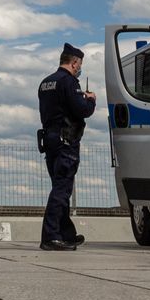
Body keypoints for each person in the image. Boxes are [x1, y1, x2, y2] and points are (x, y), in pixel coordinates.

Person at [37, 42, 96, 251]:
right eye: (79, 65)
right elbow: (81, 110)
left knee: (59, 188)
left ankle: (66, 234)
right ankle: (50, 237)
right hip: (66, 142)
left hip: (50, 140)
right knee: (62, 190)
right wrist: (90, 100)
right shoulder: (69, 82)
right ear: (74, 62)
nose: (80, 68)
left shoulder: (46, 82)